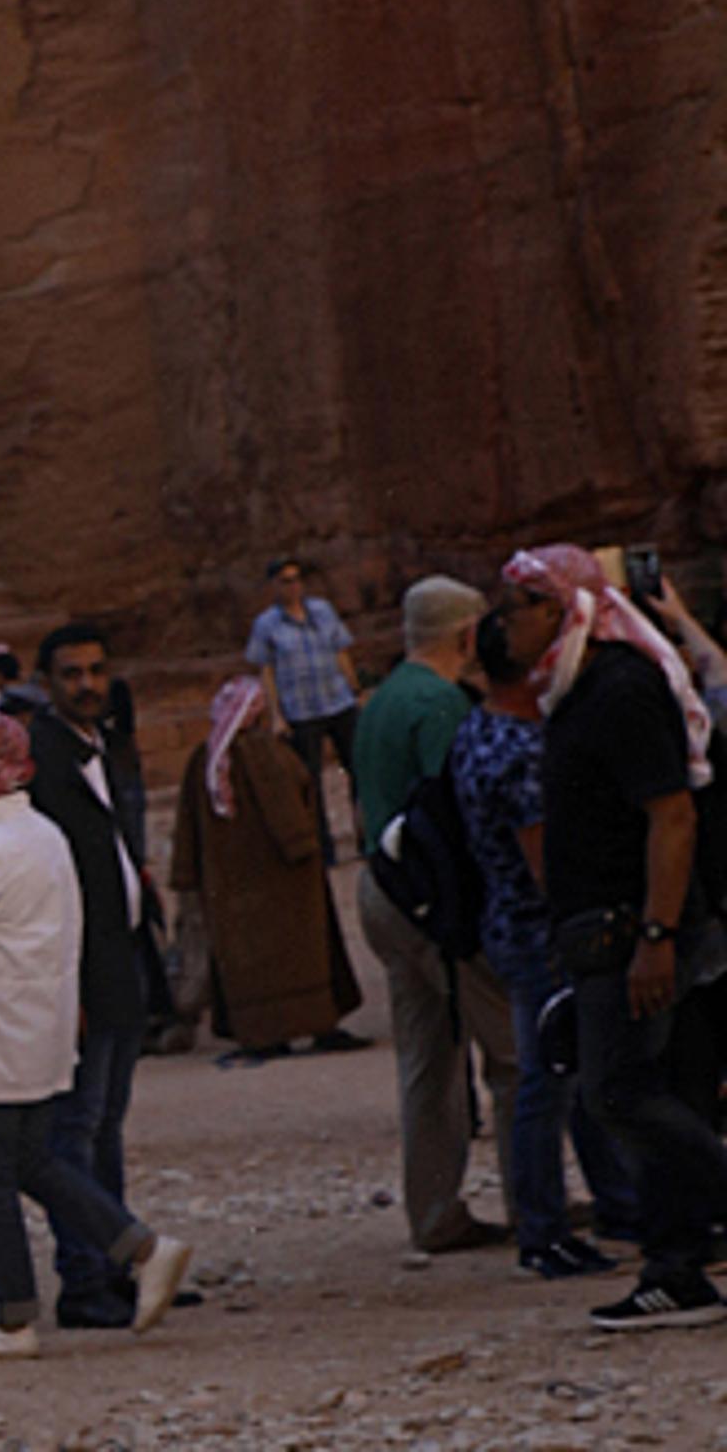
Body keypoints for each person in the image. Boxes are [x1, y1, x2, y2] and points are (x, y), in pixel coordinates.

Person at [0, 713, 196, 1364]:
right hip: (40, 1029)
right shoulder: (40, 835)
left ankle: (12, 1320)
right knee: (35, 1161)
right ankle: (142, 1247)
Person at [499, 544, 727, 1331]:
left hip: (632, 929)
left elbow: (673, 814)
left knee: (619, 1092)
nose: (507, 625)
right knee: (658, 1092)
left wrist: (657, 934)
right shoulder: (574, 694)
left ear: (565, 611)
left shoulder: (619, 692)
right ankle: (677, 1269)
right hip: (607, 927)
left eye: (519, 606)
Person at [449, 605, 636, 1279]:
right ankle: (546, 1228)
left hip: (507, 922)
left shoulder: (478, 730)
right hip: (541, 932)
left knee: (568, 1071)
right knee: (547, 1083)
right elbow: (545, 863)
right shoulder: (522, 749)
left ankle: (611, 1201)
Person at [348, 574, 512, 1255]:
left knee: (427, 1060)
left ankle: (435, 1210)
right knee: (511, 1057)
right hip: (428, 899)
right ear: (469, 634)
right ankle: (538, 1206)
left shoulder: (383, 700)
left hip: (381, 890)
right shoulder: (439, 704)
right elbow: (460, 812)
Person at [23, 621, 158, 1328]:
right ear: (49, 682)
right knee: (75, 1130)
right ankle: (84, 1278)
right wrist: (61, 983)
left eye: (96, 671)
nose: (87, 684)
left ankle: (118, 1263)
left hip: (120, 962)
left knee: (104, 1126)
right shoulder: (43, 759)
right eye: (72, 673)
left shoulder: (104, 746)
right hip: (79, 974)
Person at [169, 677, 360, 1059]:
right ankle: (315, 1025)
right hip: (289, 884)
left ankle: (267, 1035)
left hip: (233, 891)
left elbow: (185, 827)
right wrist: (305, 850)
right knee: (303, 954)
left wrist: (187, 876)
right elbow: (290, 818)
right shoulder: (264, 753)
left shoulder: (203, 760)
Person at [248, 558, 365, 860]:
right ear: (274, 586)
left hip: (337, 700)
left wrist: (354, 688)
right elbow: (266, 671)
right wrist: (276, 714)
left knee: (359, 769)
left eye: (297, 579)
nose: (293, 586)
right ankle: (323, 847)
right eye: (286, 581)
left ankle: (366, 835)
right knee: (310, 781)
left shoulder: (322, 611)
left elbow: (340, 650)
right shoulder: (267, 625)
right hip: (301, 709)